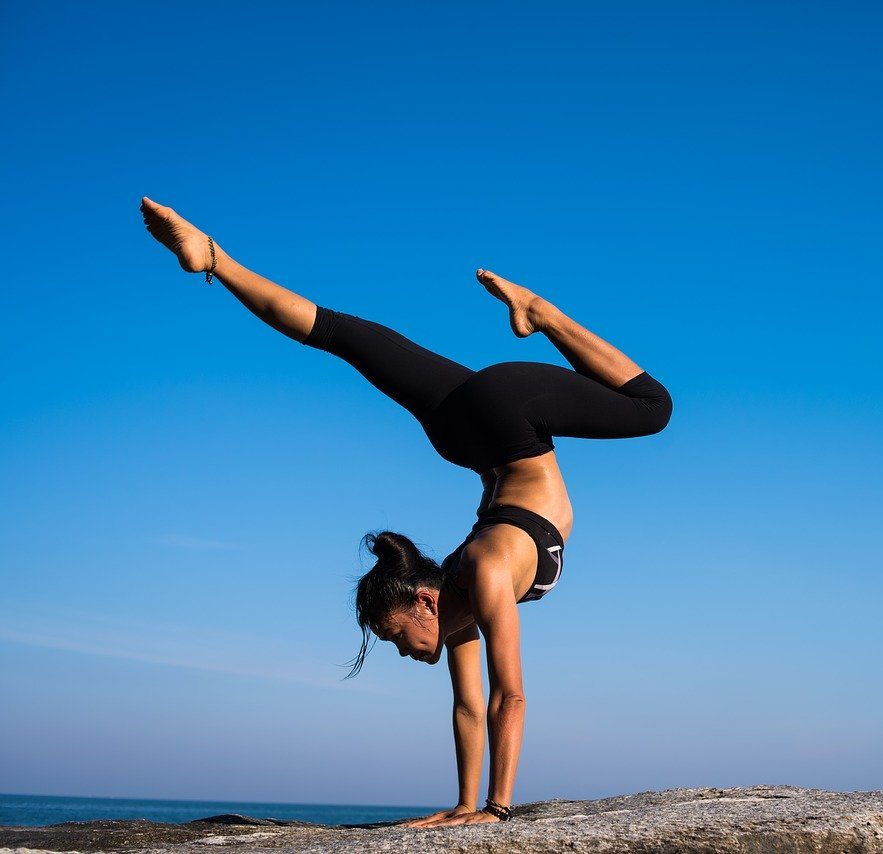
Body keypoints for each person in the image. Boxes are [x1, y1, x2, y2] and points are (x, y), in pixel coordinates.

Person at [140, 196, 673, 827]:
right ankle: (215, 260)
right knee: (340, 335)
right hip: (466, 432)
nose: (401, 651)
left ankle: (541, 312)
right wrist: (463, 807)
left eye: (394, 635)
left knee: (652, 407)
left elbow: (512, 695)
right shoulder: (459, 601)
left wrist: (497, 812)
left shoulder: (480, 573)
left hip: (509, 418)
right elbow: (469, 709)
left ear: (424, 600)